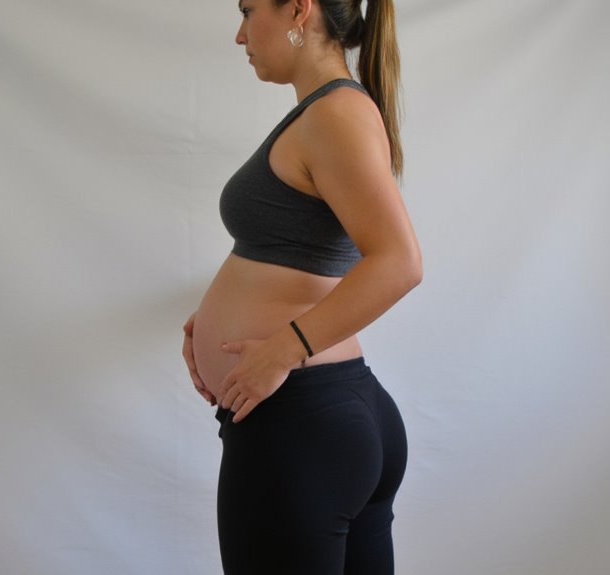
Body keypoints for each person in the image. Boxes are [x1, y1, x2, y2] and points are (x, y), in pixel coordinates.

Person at [181, 0, 421, 572]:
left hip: (301, 426)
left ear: (298, 9)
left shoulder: (336, 113)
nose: (240, 34)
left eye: (247, 10)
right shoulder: (324, 112)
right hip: (321, 419)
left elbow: (399, 261)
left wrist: (281, 350)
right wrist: (211, 320)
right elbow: (292, 252)